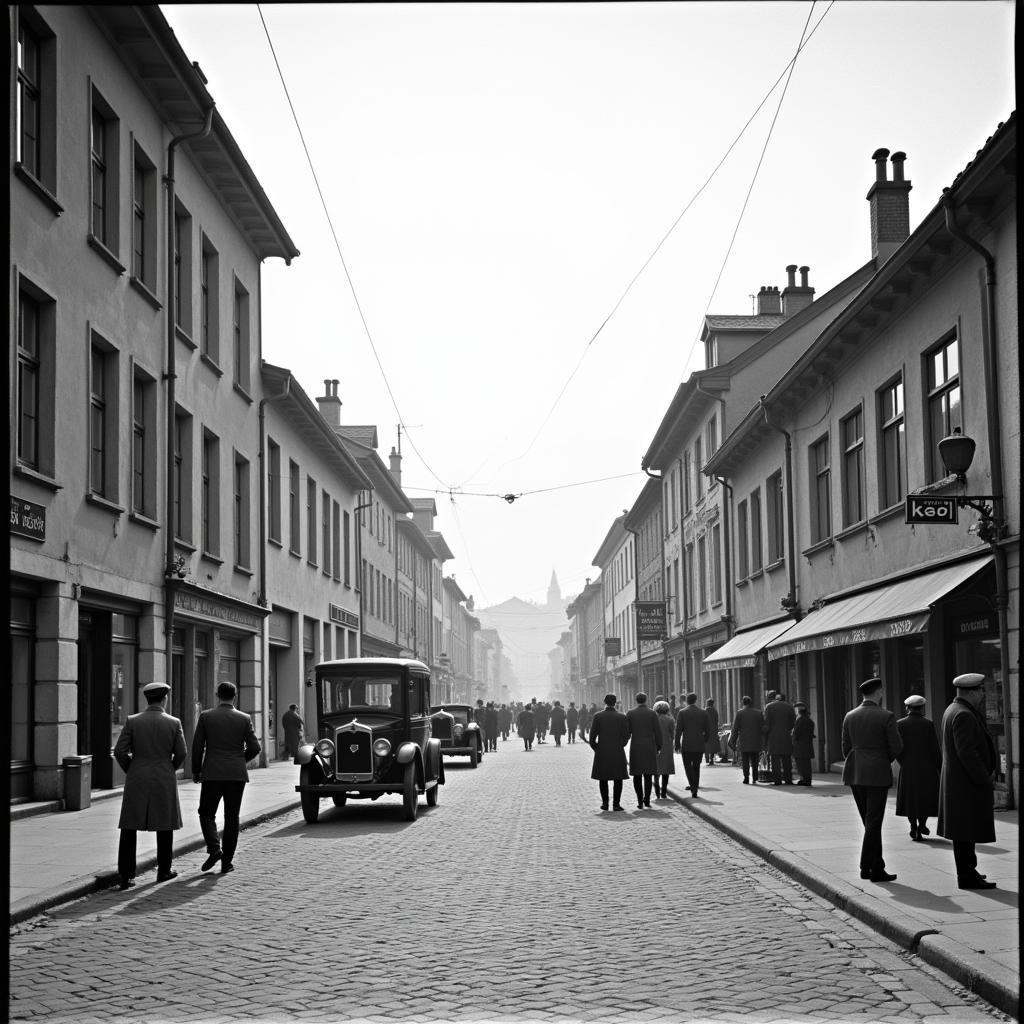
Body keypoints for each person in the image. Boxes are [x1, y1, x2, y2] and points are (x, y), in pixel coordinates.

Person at [113, 681, 187, 890]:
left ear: (147, 699)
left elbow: (119, 751)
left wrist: (133, 768)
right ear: (164, 698)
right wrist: (169, 767)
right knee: (165, 823)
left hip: (138, 774)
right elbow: (181, 752)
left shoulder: (132, 721)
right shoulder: (173, 722)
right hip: (163, 773)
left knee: (129, 825)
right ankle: (164, 870)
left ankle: (126, 876)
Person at [191, 680, 262, 875]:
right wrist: (240, 760)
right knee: (232, 817)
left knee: (206, 813)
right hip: (236, 774)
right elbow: (255, 747)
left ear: (217, 695)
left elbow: (197, 747)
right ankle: (227, 862)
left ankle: (214, 849)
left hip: (212, 772)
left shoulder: (206, 717)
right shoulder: (244, 718)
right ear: (235, 695)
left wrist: (196, 770)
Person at [937, 673, 998, 889]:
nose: (983, 694)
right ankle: (967, 875)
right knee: (965, 832)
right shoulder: (963, 714)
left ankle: (969, 872)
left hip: (960, 783)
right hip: (965, 785)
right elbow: (967, 753)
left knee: (965, 832)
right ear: (971, 692)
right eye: (981, 690)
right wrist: (984, 779)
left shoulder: (954, 710)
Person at [841, 677, 903, 883]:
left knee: (869, 822)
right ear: (879, 692)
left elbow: (845, 748)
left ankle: (877, 868)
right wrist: (883, 759)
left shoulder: (850, 716)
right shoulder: (886, 715)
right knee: (874, 822)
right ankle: (866, 865)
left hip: (855, 772)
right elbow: (896, 746)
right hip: (877, 772)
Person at [895, 694, 942, 841]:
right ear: (922, 708)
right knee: (925, 797)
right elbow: (934, 748)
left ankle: (913, 827)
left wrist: (902, 761)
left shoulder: (900, 724)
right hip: (927, 767)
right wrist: (939, 766)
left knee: (910, 799)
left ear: (907, 708)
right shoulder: (927, 724)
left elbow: (897, 748)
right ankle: (922, 824)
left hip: (908, 767)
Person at [590, 693, 630, 810]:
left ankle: (605, 803)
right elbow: (626, 735)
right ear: (615, 702)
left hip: (602, 750)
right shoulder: (622, 717)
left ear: (604, 702)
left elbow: (592, 737)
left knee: (603, 778)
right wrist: (620, 745)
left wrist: (596, 748)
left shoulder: (598, 716)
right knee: (618, 778)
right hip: (617, 750)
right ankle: (616, 804)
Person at [626, 693, 662, 808]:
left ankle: (639, 800)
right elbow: (658, 732)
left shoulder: (630, 713)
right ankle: (647, 799)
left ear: (636, 700)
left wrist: (623, 743)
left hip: (636, 746)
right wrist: (659, 746)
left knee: (637, 775)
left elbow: (627, 732)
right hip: (649, 747)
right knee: (648, 775)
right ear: (646, 700)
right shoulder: (652, 713)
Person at [674, 692, 710, 797]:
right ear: (695, 700)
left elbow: (678, 730)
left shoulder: (682, 712)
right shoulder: (703, 713)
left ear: (686, 701)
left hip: (687, 745)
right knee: (696, 766)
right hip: (699, 743)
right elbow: (707, 729)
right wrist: (705, 740)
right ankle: (695, 785)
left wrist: (676, 744)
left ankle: (693, 787)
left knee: (688, 767)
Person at [728, 696, 764, 784]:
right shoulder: (758, 713)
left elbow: (735, 728)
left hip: (744, 741)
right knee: (755, 760)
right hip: (756, 740)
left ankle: (746, 777)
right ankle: (755, 777)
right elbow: (762, 727)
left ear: (742, 703)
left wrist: (732, 741)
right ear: (751, 702)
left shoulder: (740, 713)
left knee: (745, 761)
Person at [763, 691, 796, 785]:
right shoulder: (789, 707)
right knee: (787, 759)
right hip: (786, 736)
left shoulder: (769, 707)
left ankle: (777, 780)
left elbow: (767, 723)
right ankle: (788, 779)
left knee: (775, 760)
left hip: (773, 737)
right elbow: (793, 722)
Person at [653, 700, 676, 799]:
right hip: (666, 745)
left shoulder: (654, 719)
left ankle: (657, 791)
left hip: (655, 745)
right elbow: (672, 734)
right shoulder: (670, 720)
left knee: (656, 769)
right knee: (666, 770)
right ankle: (664, 792)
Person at [791, 701, 816, 786]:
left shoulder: (800, 720)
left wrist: (793, 736)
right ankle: (806, 779)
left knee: (801, 764)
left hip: (800, 745)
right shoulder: (809, 720)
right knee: (806, 764)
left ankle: (804, 779)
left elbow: (796, 733)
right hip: (807, 745)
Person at [703, 698, 721, 766]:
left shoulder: (705, 710)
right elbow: (716, 721)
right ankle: (711, 759)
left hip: (706, 730)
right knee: (712, 745)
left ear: (708, 703)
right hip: (713, 730)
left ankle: (707, 759)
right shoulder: (715, 711)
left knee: (706, 745)